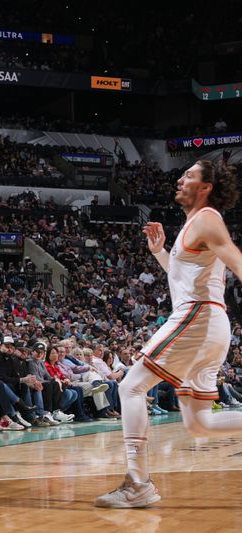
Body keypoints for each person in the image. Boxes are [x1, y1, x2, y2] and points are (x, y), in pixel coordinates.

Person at [96, 160, 242, 508]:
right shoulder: (196, 224)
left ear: (205, 187)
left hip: (197, 317)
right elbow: (183, 279)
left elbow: (237, 261)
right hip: (211, 323)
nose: (180, 178)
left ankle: (137, 483)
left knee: (130, 386)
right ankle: (137, 483)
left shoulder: (207, 218)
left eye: (189, 175)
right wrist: (160, 252)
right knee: (200, 423)